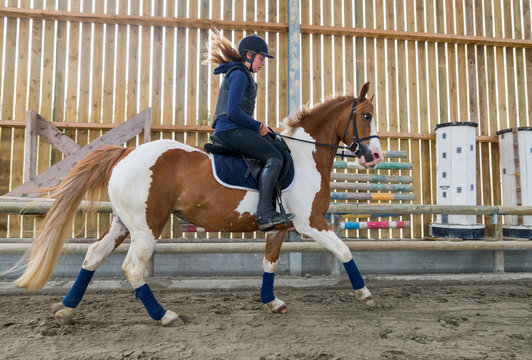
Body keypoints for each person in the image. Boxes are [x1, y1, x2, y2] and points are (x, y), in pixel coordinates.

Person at [203, 31, 294, 230]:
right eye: (261, 59)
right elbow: (233, 112)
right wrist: (258, 126)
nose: (263, 64)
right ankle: (265, 213)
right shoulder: (239, 75)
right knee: (274, 158)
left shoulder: (242, 74)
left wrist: (263, 128)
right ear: (249, 55)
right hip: (229, 129)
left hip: (234, 127)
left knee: (277, 148)